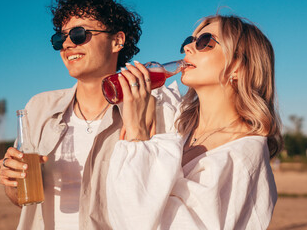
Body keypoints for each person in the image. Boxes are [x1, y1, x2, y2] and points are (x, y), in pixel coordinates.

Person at [0, 0, 181, 229]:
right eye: (59, 38)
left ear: (117, 41)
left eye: (79, 34)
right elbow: (22, 201)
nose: (67, 44)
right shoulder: (38, 108)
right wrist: (12, 183)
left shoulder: (155, 109)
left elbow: (162, 199)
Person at [105, 14, 283, 229]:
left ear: (237, 66)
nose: (188, 47)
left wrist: (137, 131)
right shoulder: (179, 128)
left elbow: (137, 222)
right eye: (188, 41)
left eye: (204, 42)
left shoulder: (242, 154)